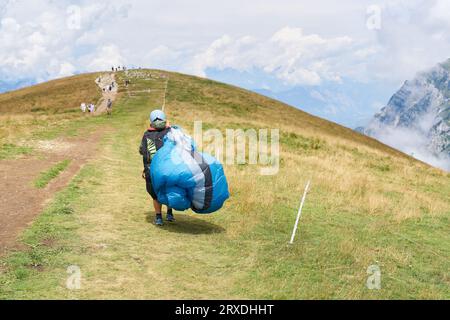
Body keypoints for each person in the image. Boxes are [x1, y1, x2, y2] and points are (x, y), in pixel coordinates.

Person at [139, 109, 174, 226]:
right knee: (169, 191)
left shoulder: (146, 135)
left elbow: (142, 151)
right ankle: (169, 214)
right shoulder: (169, 133)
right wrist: (169, 127)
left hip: (151, 171)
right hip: (168, 170)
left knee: (155, 195)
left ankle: (159, 218)